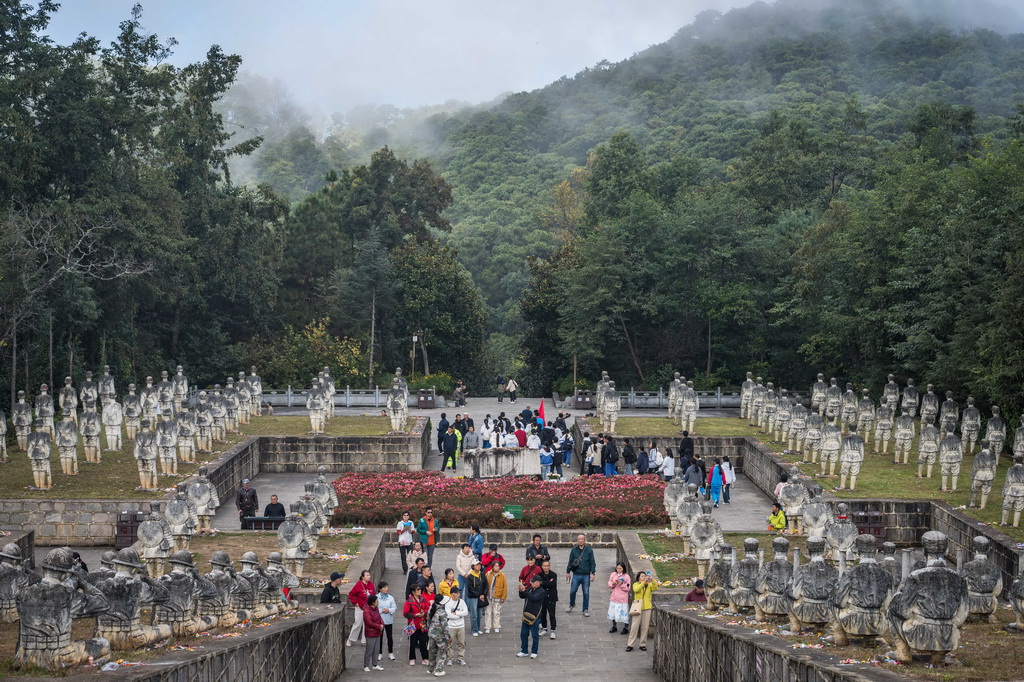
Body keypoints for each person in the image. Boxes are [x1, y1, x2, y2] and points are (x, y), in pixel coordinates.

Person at [625, 571, 659, 652]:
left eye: (645, 576)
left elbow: (655, 588)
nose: (644, 577)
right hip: (638, 607)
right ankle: (630, 644)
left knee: (645, 627)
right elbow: (636, 590)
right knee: (634, 626)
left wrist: (652, 580)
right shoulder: (636, 584)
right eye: (642, 576)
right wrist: (643, 583)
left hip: (647, 607)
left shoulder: (649, 585)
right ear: (639, 578)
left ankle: (642, 644)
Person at [565, 534, 596, 616]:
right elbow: (570, 561)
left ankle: (585, 609)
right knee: (572, 591)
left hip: (586, 574)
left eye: (582, 539)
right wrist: (568, 572)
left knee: (586, 592)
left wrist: (593, 573)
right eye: (579, 539)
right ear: (577, 540)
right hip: (576, 574)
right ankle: (572, 604)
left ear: (584, 540)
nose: (581, 540)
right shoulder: (574, 549)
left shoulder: (589, 550)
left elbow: (592, 562)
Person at [517, 574, 546, 659]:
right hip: (526, 615)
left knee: (534, 635)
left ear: (538, 583)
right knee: (523, 634)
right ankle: (524, 650)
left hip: (535, 617)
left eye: (533, 582)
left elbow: (533, 598)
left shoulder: (542, 592)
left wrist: (525, 591)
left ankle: (534, 651)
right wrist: (521, 590)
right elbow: (523, 596)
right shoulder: (530, 589)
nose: (531, 583)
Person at [346, 570, 376, 647]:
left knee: (367, 624)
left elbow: (373, 595)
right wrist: (355, 602)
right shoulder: (359, 584)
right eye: (367, 575)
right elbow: (351, 594)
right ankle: (351, 639)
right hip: (360, 607)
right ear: (363, 577)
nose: (369, 577)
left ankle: (364, 640)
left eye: (369, 575)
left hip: (368, 608)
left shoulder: (371, 585)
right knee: (358, 624)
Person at [403, 584, 430, 667]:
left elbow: (427, 607)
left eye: (420, 589)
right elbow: (406, 613)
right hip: (413, 624)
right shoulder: (409, 601)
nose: (420, 590)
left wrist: (424, 613)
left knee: (423, 642)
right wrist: (415, 615)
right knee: (412, 642)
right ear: (413, 592)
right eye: (418, 589)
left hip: (422, 624)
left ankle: (425, 658)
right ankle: (412, 658)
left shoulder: (423, 599)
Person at [444, 585, 469, 666]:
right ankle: (449, 659)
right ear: (452, 594)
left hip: (461, 626)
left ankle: (461, 658)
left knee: (461, 643)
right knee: (449, 644)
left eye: (459, 593)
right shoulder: (448, 603)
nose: (458, 594)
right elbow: (448, 615)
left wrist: (457, 613)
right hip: (451, 626)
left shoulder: (462, 602)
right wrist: (460, 615)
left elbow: (466, 612)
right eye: (457, 593)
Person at [427, 594, 451, 676]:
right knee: (443, 653)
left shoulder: (431, 608)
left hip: (431, 634)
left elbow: (428, 621)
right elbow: (445, 626)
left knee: (432, 652)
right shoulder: (442, 612)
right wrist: (448, 637)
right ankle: (439, 670)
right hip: (440, 636)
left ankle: (430, 669)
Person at [362, 594, 385, 671]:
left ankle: (375, 664)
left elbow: (379, 617)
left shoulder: (376, 608)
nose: (377, 602)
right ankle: (366, 665)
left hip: (377, 632)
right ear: (372, 602)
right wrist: (379, 626)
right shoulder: (367, 611)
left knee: (376, 649)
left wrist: (382, 624)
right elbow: (369, 622)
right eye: (376, 601)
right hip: (370, 632)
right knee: (369, 650)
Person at [537, 559, 559, 639]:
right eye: (545, 566)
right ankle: (544, 628)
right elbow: (539, 584)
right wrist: (544, 583)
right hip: (543, 597)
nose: (546, 567)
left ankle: (553, 630)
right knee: (543, 614)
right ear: (542, 567)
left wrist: (543, 583)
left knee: (552, 614)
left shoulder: (553, 574)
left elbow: (551, 584)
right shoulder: (539, 575)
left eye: (548, 566)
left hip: (551, 597)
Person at [607, 562, 631, 633]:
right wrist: (613, 583)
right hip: (614, 597)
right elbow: (609, 583)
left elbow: (628, 588)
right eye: (617, 568)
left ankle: (625, 627)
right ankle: (614, 626)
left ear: (623, 569)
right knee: (613, 613)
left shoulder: (626, 576)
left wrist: (622, 584)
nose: (619, 570)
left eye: (620, 568)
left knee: (624, 613)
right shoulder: (613, 574)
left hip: (622, 598)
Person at [484, 559, 507, 634]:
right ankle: (488, 627)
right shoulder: (488, 574)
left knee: (496, 612)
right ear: (493, 567)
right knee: (488, 612)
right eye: (495, 566)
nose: (497, 568)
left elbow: (505, 587)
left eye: (498, 566)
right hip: (489, 596)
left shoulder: (502, 576)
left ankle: (497, 626)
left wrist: (503, 597)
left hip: (497, 596)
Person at [377, 582, 397, 661]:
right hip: (380, 620)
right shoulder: (376, 597)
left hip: (388, 619)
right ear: (380, 589)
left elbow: (394, 607)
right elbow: (374, 608)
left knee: (389, 637)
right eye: (384, 587)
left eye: (387, 587)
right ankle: (379, 653)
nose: (386, 589)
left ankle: (390, 652)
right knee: (380, 637)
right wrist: (382, 610)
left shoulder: (390, 598)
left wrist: (388, 610)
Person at [465, 560, 486, 637]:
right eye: (477, 565)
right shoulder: (470, 576)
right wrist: (478, 595)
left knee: (480, 614)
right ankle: (474, 629)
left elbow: (486, 585)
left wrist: (483, 594)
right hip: (473, 597)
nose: (479, 566)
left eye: (479, 565)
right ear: (473, 566)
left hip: (481, 597)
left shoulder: (482, 575)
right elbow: (470, 588)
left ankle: (478, 628)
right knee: (474, 614)